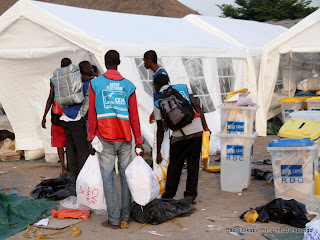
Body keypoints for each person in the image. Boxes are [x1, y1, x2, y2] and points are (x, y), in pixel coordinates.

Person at [87, 50, 144, 229]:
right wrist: (139, 140)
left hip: (105, 137)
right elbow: (134, 116)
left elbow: (92, 114)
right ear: (118, 62)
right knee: (126, 176)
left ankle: (114, 219)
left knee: (108, 177)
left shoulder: (95, 84)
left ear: (105, 62)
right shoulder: (129, 86)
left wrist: (91, 137)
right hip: (125, 137)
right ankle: (126, 216)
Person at [154, 74, 210, 203]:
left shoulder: (158, 103)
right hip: (196, 130)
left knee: (175, 166)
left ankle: (168, 196)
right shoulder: (183, 87)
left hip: (179, 136)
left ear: (156, 86)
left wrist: (158, 152)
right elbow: (196, 106)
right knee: (193, 164)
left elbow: (160, 129)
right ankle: (190, 196)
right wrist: (205, 127)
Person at [59, 62, 91, 177]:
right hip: (77, 118)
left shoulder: (72, 82)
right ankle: (84, 178)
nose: (92, 69)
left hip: (65, 116)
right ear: (85, 69)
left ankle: (73, 178)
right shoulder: (88, 83)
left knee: (71, 150)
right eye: (90, 67)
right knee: (83, 150)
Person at [41, 58, 71, 175]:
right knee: (69, 141)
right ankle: (70, 166)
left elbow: (50, 98)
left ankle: (63, 167)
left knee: (59, 142)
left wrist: (44, 116)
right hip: (69, 113)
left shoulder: (54, 79)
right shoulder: (73, 79)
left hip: (56, 114)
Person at [143, 50, 170, 123]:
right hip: (159, 109)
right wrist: (154, 111)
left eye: (144, 61)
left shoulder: (161, 74)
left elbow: (166, 94)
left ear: (149, 61)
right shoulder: (156, 75)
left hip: (164, 112)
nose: (144, 63)